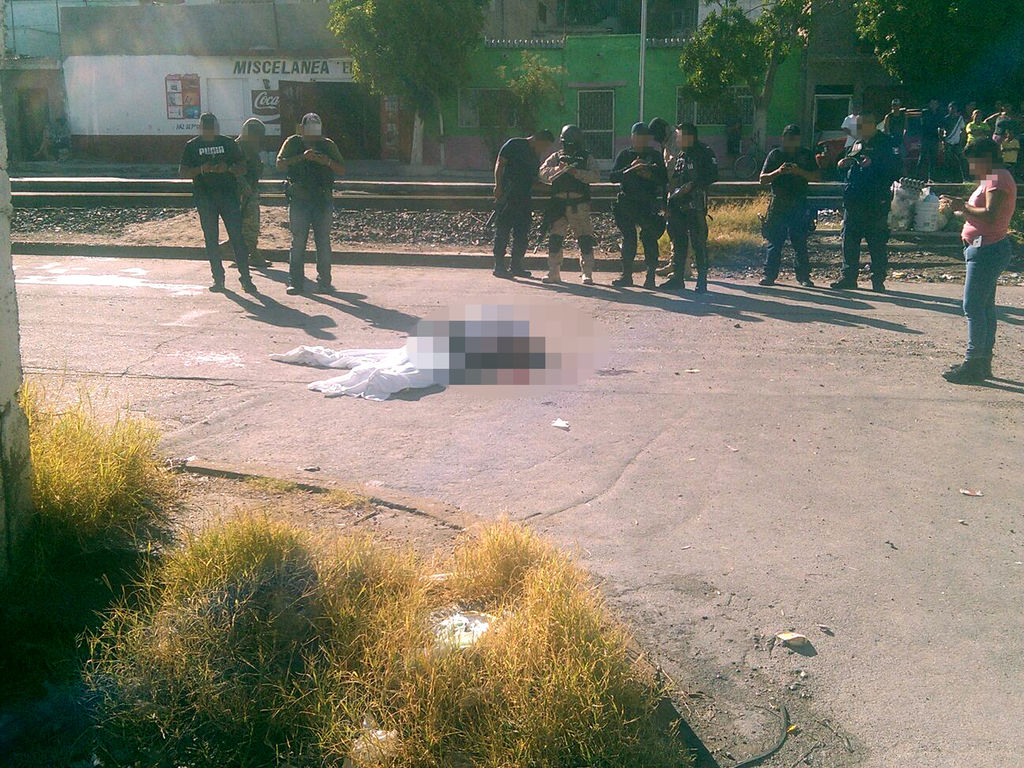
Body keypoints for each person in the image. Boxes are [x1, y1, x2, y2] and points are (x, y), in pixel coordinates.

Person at [939, 138, 1017, 384]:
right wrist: (960, 205)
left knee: (973, 306)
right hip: (986, 247)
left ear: (986, 158)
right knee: (984, 307)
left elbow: (991, 214)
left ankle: (974, 363)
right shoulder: (995, 177)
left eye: (974, 161)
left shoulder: (997, 178)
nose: (971, 167)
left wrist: (962, 207)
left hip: (986, 249)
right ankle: (982, 362)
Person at [178, 112, 255, 294]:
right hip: (205, 198)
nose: (209, 131)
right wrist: (201, 169)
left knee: (237, 238)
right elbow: (183, 172)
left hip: (228, 196)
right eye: (206, 128)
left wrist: (227, 168)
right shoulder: (192, 146)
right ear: (201, 128)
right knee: (211, 239)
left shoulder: (228, 143)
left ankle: (246, 278)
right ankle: (218, 279)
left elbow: (243, 167)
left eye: (211, 128)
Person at [830, 111, 900, 292]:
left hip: (875, 201)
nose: (859, 128)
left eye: (863, 125)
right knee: (849, 240)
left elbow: (896, 170)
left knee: (877, 241)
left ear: (872, 124)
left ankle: (878, 279)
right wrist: (841, 165)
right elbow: (847, 169)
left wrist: (874, 163)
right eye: (857, 125)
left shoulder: (886, 143)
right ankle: (848, 277)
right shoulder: (856, 143)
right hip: (854, 200)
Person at [276, 113, 345, 295]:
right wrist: (302, 157)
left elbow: (342, 169)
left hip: (322, 199)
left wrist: (326, 161)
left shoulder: (328, 145)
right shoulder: (293, 142)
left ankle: (325, 282)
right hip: (300, 198)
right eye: (310, 129)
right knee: (298, 242)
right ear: (302, 128)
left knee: (323, 242)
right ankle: (295, 282)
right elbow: (280, 164)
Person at [537, 124, 601, 284]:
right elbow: (542, 173)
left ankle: (587, 272)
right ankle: (554, 272)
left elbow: (595, 176)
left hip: (578, 203)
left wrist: (576, 172)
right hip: (558, 204)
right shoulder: (556, 157)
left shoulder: (586, 157)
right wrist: (558, 170)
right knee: (555, 238)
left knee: (585, 238)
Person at [758, 124, 819, 288]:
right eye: (789, 139)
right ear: (783, 139)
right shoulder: (775, 154)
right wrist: (778, 171)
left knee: (800, 242)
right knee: (775, 241)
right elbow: (762, 179)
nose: (791, 143)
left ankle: (804, 276)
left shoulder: (806, 154)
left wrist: (799, 172)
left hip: (799, 202)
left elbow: (817, 176)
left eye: (795, 140)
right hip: (779, 202)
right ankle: (769, 275)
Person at [661, 122, 718, 293]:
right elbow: (676, 179)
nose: (677, 140)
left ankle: (702, 281)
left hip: (695, 206)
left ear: (689, 137)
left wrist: (693, 185)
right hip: (678, 206)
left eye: (679, 137)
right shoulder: (681, 155)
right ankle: (677, 279)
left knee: (699, 243)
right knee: (679, 243)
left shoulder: (704, 152)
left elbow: (713, 175)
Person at [609, 122, 667, 288]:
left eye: (644, 137)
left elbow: (664, 179)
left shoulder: (655, 155)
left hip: (647, 203)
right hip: (627, 202)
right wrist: (630, 168)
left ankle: (650, 276)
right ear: (632, 137)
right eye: (638, 137)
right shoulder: (625, 155)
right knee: (629, 238)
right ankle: (626, 275)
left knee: (649, 238)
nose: (641, 140)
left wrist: (649, 175)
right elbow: (613, 177)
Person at [492, 130, 554, 279]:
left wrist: (552, 187)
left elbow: (533, 180)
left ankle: (516, 266)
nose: (544, 150)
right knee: (503, 231)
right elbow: (500, 164)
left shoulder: (535, 156)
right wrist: (498, 186)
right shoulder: (514, 144)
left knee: (522, 233)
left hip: (524, 197)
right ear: (538, 140)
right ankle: (499, 266)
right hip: (508, 195)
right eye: (545, 146)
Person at [235, 117, 268, 269]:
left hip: (250, 188)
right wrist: (243, 184)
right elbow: (234, 169)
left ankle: (245, 253)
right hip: (241, 191)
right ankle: (251, 254)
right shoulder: (238, 148)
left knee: (248, 223)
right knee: (248, 223)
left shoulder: (250, 147)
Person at [917, 99, 944, 181]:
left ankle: (932, 177)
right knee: (923, 158)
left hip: (934, 138)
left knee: (933, 159)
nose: (934, 105)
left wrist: (941, 136)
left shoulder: (938, 114)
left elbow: (941, 125)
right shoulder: (925, 113)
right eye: (932, 103)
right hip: (925, 138)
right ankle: (919, 176)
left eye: (935, 103)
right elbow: (922, 124)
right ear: (929, 104)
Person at [942, 103, 967, 182]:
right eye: (951, 108)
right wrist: (943, 140)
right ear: (948, 108)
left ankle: (965, 178)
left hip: (957, 143)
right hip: (948, 142)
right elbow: (942, 130)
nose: (953, 110)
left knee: (962, 160)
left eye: (954, 108)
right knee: (948, 161)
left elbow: (963, 130)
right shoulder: (945, 119)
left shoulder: (959, 118)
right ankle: (948, 178)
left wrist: (961, 141)